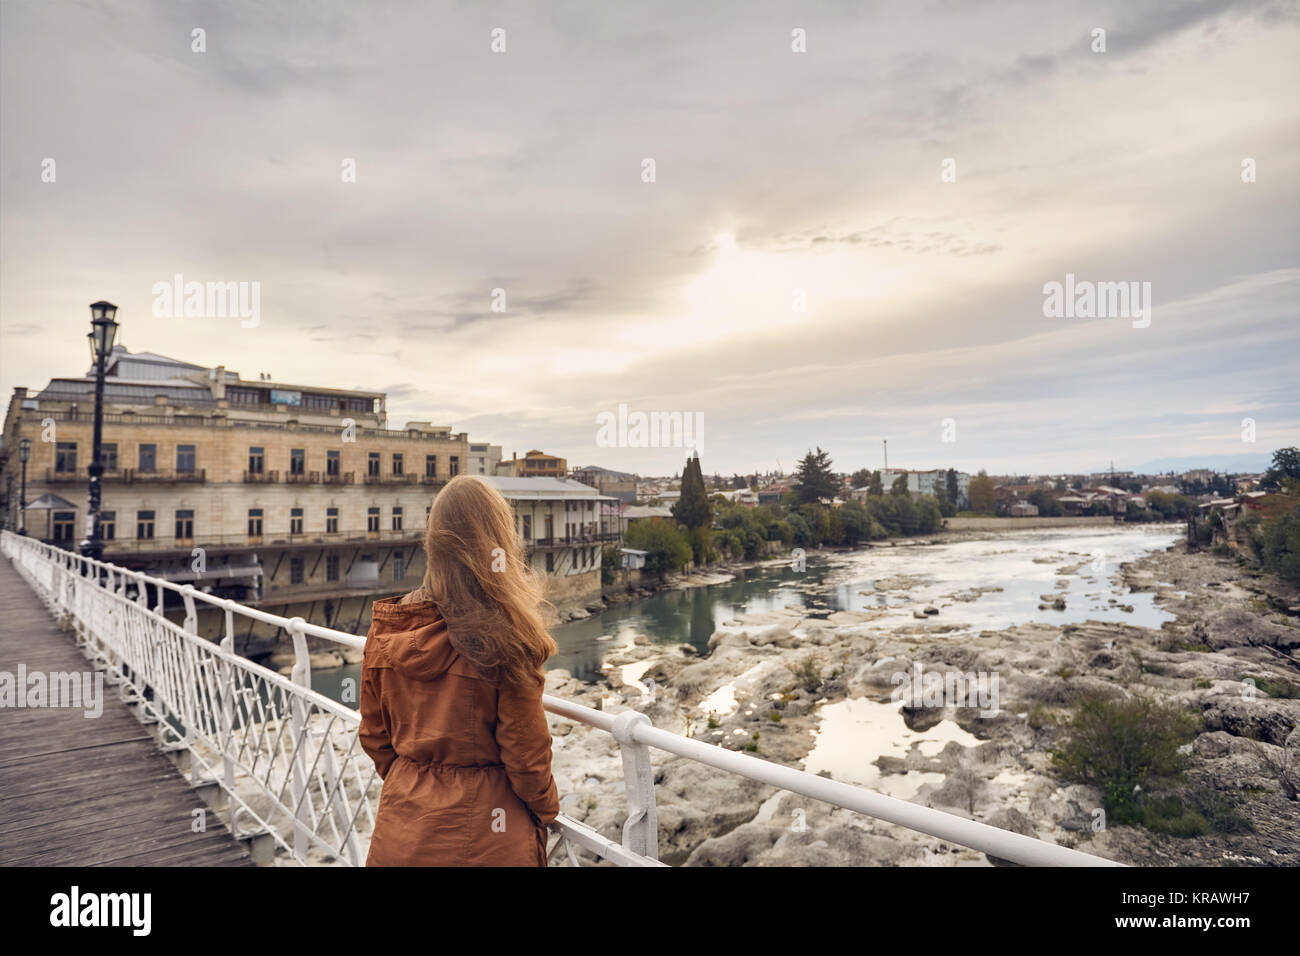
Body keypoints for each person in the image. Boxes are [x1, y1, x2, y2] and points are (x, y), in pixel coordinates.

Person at [359, 474, 560, 865]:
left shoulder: (387, 628)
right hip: (489, 838)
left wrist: (415, 780)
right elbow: (527, 759)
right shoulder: (505, 636)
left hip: (403, 832)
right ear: (498, 540)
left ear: (434, 541)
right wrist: (547, 811)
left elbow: (373, 736)